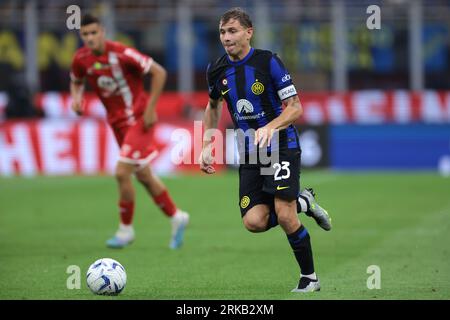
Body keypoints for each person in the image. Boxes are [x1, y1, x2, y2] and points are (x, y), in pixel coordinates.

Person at [200, 8, 331, 292]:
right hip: (250, 152)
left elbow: (295, 108)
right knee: (254, 222)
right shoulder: (217, 69)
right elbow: (213, 106)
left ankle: (309, 278)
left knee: (284, 214)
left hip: (282, 145)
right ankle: (304, 202)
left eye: (232, 31)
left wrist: (271, 126)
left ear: (249, 32)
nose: (226, 37)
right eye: (222, 32)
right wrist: (207, 143)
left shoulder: (268, 62)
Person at [70, 14, 189, 250]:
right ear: (81, 36)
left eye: (94, 33)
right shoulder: (81, 58)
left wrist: (151, 108)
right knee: (143, 175)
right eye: (85, 34)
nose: (90, 38)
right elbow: (76, 80)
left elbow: (159, 72)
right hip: (116, 123)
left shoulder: (122, 53)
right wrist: (77, 98)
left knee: (122, 172)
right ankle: (177, 217)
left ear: (103, 31)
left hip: (138, 120)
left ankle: (125, 230)